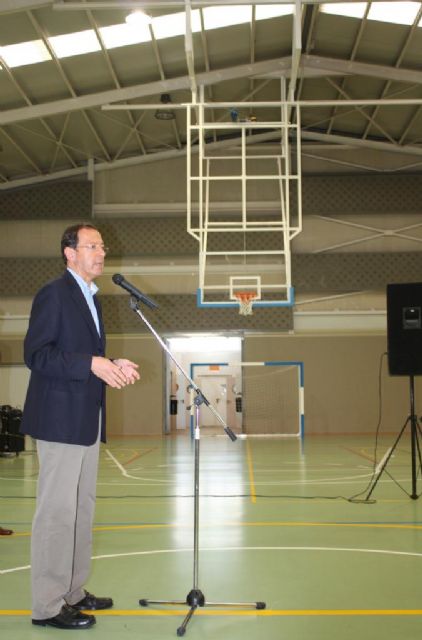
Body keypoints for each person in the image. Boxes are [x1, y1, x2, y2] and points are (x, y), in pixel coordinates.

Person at [21, 223, 140, 630]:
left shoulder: (90, 298)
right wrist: (91, 363)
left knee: (80, 512)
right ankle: (48, 606)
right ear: (69, 253)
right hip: (58, 422)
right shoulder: (54, 294)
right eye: (92, 245)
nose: (101, 252)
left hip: (85, 420)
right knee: (56, 515)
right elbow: (37, 355)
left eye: (102, 245)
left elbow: (82, 356)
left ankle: (72, 591)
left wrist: (112, 363)